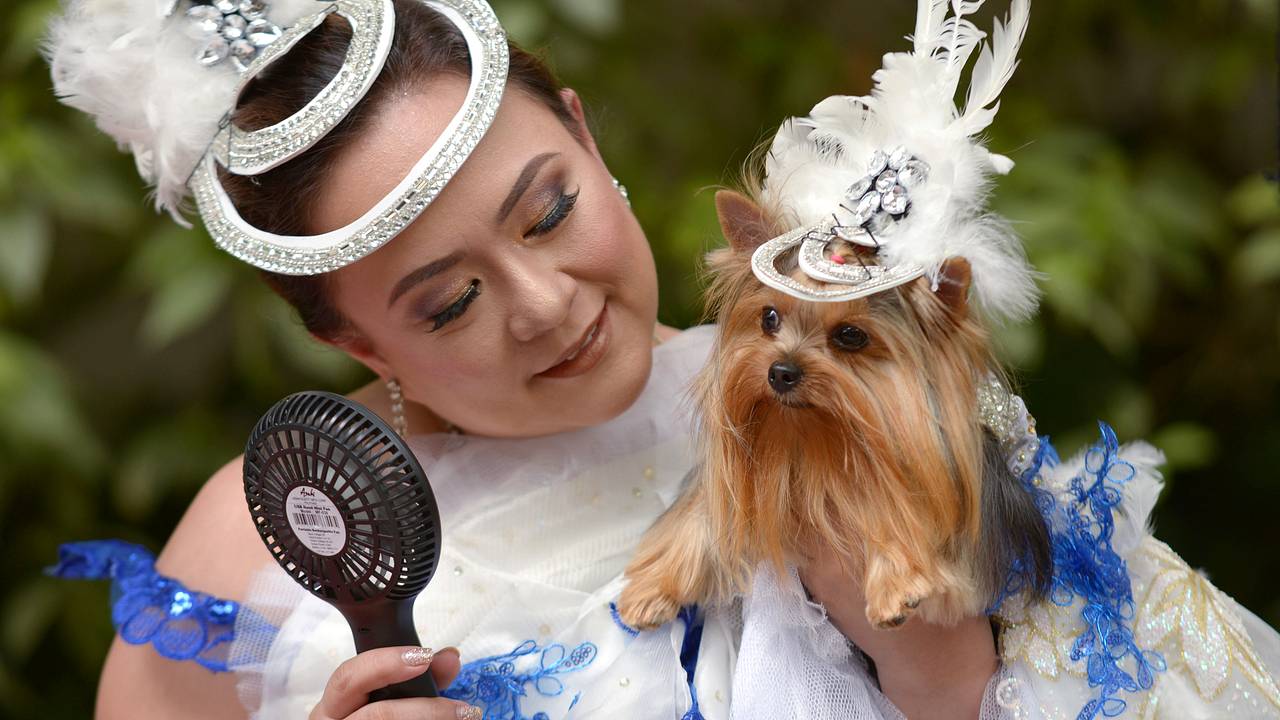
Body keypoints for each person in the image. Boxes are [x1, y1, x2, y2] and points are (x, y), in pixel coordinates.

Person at [39, 0, 1280, 719]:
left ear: (585, 135)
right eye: (452, 300)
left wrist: (928, 655)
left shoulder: (851, 400)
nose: (543, 304)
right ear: (349, 339)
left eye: (548, 210)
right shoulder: (258, 555)